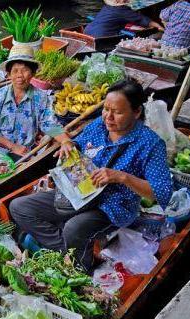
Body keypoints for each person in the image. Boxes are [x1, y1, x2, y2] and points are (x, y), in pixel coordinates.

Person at [9, 79, 173, 272]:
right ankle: (66, 250)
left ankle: (81, 268)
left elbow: (161, 192)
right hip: (80, 192)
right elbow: (79, 144)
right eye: (106, 109)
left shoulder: (151, 144)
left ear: (136, 113)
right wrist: (68, 146)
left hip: (113, 205)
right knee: (19, 207)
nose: (108, 117)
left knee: (74, 228)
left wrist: (121, 177)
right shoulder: (99, 125)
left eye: (118, 112)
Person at [0, 45, 63, 157]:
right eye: (15, 71)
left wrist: (65, 141)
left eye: (25, 70)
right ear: (9, 75)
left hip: (25, 153)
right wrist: (13, 147)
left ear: (33, 73)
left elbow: (49, 124)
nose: (19, 75)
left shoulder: (41, 97)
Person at [84, 0, 164, 38]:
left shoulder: (107, 7)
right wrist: (159, 26)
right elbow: (143, 20)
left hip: (87, 31)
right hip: (101, 36)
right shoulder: (122, 10)